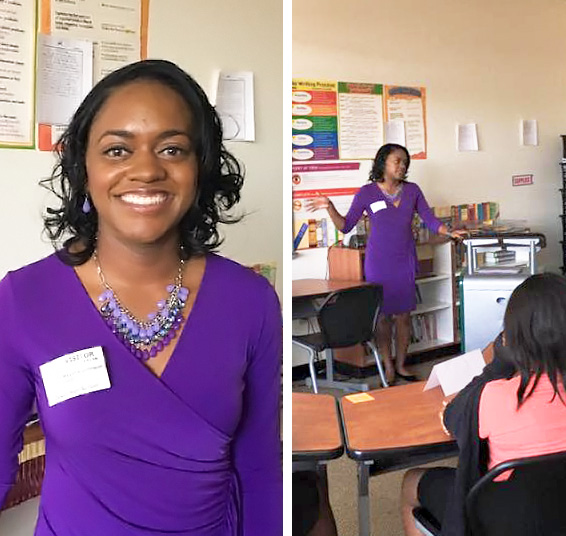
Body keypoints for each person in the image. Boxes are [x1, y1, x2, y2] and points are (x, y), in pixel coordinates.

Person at [0, 60, 282, 535]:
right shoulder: (24, 300)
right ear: (82, 167)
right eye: (117, 150)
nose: (147, 169)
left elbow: (259, 468)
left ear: (200, 168)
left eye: (172, 148)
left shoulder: (250, 301)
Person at [400, 274, 566, 536]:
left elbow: (452, 418)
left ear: (515, 334)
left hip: (503, 520)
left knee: (410, 482)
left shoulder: (497, 396)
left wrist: (500, 361)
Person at [307, 144, 464, 383]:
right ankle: (387, 366)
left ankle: (401, 364)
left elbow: (429, 219)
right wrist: (329, 207)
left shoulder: (412, 191)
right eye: (397, 161)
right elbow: (345, 226)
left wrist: (449, 231)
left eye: (405, 162)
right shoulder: (367, 193)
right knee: (382, 318)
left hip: (405, 261)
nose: (402, 166)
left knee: (404, 316)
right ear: (383, 163)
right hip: (379, 264)